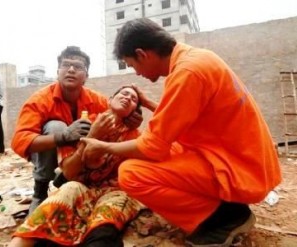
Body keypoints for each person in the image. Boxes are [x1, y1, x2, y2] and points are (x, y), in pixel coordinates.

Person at [80, 18, 282, 247]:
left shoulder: (187, 73)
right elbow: (182, 119)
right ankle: (224, 208)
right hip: (244, 159)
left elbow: (151, 147)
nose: (136, 74)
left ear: (142, 54)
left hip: (241, 168)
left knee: (130, 172)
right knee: (167, 150)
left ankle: (224, 218)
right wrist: (147, 104)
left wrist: (103, 146)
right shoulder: (197, 58)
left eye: (132, 65)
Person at [11, 46, 142, 214]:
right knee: (55, 126)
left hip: (79, 164)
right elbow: (19, 141)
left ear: (86, 77)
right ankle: (40, 191)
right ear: (58, 71)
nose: (71, 70)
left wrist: (132, 118)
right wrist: (62, 136)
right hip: (52, 155)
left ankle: (67, 183)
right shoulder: (40, 100)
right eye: (66, 65)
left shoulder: (97, 100)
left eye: (78, 67)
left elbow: (118, 115)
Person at [9, 86, 144, 247]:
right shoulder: (82, 126)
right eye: (124, 93)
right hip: (81, 185)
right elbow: (69, 172)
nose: (128, 98)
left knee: (106, 223)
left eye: (134, 99)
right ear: (109, 100)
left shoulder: (134, 135)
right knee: (62, 195)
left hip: (114, 190)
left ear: (135, 111)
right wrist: (93, 135)